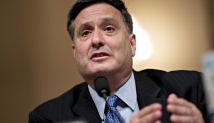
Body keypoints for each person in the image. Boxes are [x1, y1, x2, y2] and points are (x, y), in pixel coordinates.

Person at [29, 0, 210, 123]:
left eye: (108, 28)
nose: (96, 40)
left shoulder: (192, 89)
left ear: (132, 44)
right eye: (85, 33)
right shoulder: (49, 117)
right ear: (75, 52)